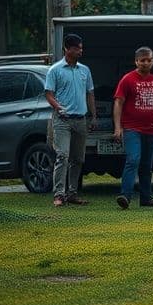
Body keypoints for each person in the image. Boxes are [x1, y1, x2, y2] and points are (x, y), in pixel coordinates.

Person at [112, 46, 153, 208]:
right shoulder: (128, 79)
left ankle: (146, 198)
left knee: (146, 164)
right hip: (132, 128)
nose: (146, 63)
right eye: (142, 60)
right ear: (136, 61)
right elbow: (118, 102)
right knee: (133, 159)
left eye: (149, 60)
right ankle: (125, 195)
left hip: (152, 130)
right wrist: (118, 127)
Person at [44, 33, 96, 206]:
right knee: (62, 155)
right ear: (66, 49)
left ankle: (72, 193)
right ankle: (59, 194)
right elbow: (49, 94)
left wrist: (93, 115)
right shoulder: (55, 70)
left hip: (80, 119)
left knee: (78, 158)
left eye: (81, 48)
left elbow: (90, 93)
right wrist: (58, 106)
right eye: (76, 48)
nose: (80, 51)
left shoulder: (84, 70)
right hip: (62, 120)